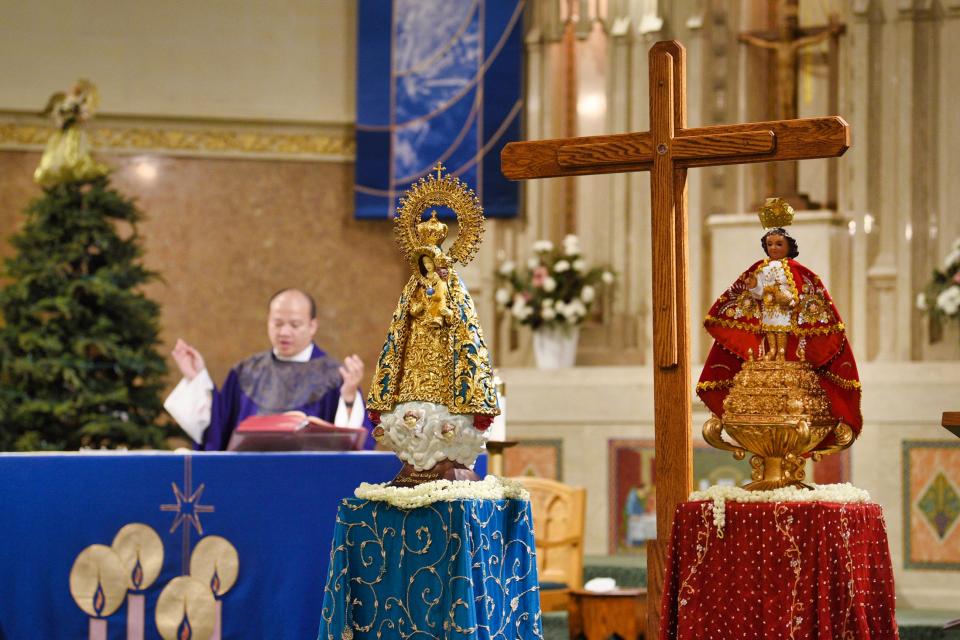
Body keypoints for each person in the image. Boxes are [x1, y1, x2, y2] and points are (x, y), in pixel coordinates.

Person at [697, 209, 862, 445]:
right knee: (770, 335)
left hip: (784, 314)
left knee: (781, 334)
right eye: (770, 244)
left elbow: (797, 296)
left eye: (779, 244)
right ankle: (773, 353)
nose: (774, 248)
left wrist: (785, 297)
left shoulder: (797, 272)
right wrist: (754, 285)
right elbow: (755, 293)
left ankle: (782, 353)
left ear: (788, 245)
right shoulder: (761, 268)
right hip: (768, 312)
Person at [164, 288, 374, 450]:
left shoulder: (333, 376)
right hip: (249, 479)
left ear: (312, 326)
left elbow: (352, 446)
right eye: (277, 323)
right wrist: (197, 378)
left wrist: (348, 397)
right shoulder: (246, 373)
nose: (284, 332)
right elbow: (217, 428)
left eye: (294, 324)